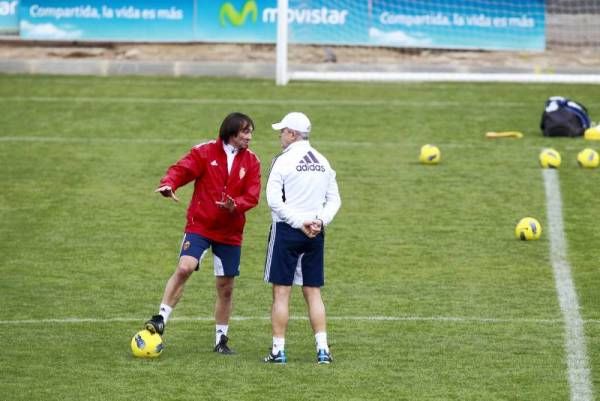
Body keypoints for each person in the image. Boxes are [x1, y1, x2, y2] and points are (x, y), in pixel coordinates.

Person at [144, 112, 261, 355]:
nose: (250, 137)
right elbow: (182, 169)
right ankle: (160, 317)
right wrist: (169, 184)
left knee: (226, 286)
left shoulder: (252, 161)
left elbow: (252, 195)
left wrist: (235, 205)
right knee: (186, 266)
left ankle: (221, 339)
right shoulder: (205, 152)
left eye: (251, 132)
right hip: (201, 226)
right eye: (245, 132)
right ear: (231, 132)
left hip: (230, 232)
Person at [263, 112, 341, 364]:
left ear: (293, 134)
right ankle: (322, 350)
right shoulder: (323, 160)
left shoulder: (283, 161)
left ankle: (278, 351)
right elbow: (334, 200)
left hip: (287, 231)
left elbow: (274, 201)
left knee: (281, 293)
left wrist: (299, 222)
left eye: (283, 131)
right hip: (316, 233)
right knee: (313, 292)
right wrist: (319, 221)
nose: (280, 135)